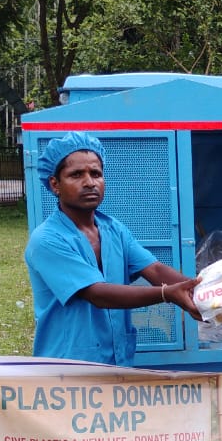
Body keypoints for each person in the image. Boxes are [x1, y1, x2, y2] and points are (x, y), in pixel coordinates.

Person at [23, 131, 200, 363]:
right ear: (55, 184)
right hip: (68, 368)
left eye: (96, 174)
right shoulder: (47, 239)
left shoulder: (113, 229)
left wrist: (200, 292)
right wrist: (168, 294)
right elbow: (97, 294)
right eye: (76, 175)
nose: (89, 182)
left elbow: (154, 270)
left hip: (116, 363)